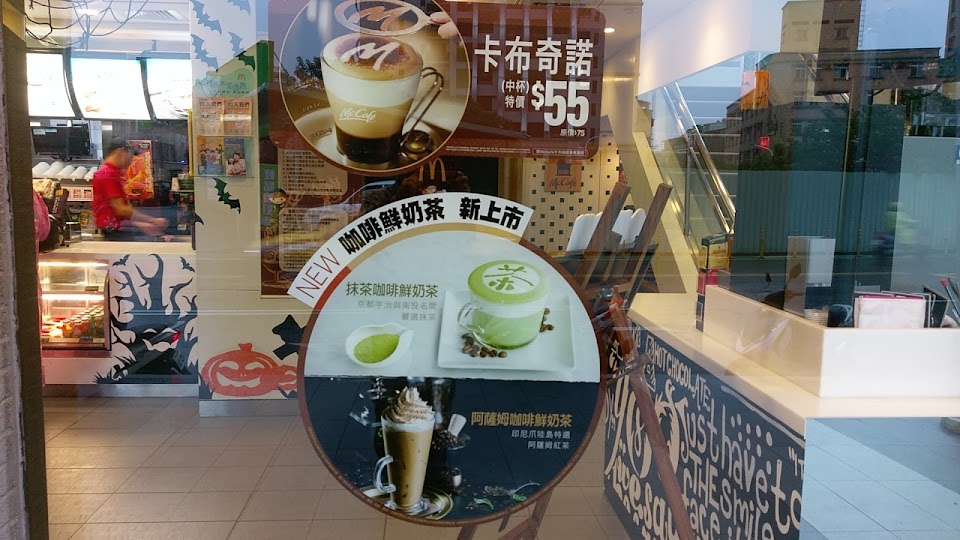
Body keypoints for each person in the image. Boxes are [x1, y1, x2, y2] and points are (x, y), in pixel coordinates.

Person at [92, 139, 167, 239]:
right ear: (120, 152)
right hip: (114, 231)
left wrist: (139, 223)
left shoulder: (112, 172)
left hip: (117, 228)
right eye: (130, 155)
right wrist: (152, 220)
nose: (131, 159)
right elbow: (121, 209)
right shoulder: (107, 174)